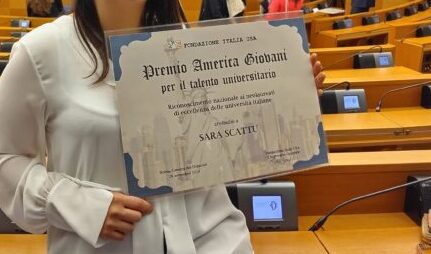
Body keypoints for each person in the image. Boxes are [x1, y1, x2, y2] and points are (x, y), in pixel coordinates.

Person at [0, 0, 325, 254]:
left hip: (215, 241)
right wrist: (80, 205)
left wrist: (282, 94)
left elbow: (218, 143)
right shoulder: (41, 52)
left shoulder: (186, 44)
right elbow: (5, 159)